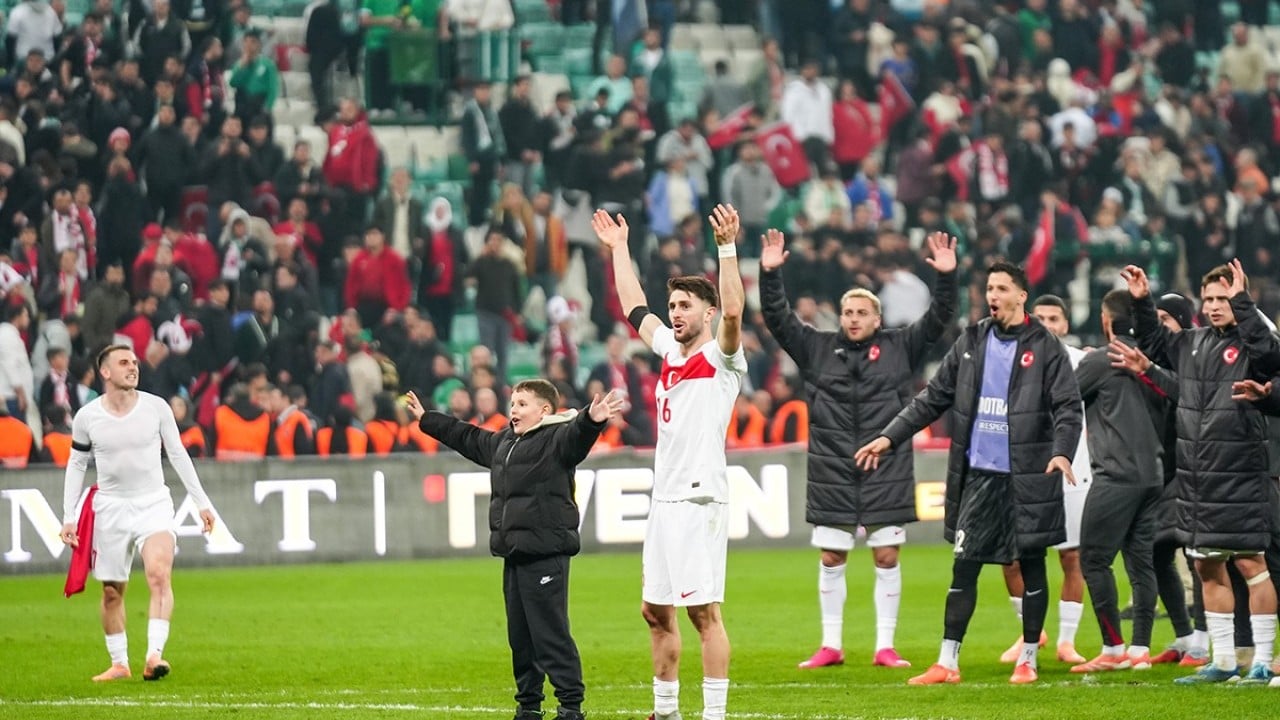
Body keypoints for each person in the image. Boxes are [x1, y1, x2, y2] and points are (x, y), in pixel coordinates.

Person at [856, 262, 1082, 686]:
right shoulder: (972, 339)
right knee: (964, 568)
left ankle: (1028, 659)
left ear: (1021, 296)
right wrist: (889, 437)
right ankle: (947, 662)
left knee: (1032, 565)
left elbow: (1068, 407)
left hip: (1028, 474)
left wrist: (1062, 452)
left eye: (1001, 288)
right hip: (978, 474)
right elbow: (933, 398)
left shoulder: (1045, 345)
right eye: (989, 288)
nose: (992, 295)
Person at [758, 227, 957, 670]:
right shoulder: (816, 348)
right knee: (832, 556)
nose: (851, 318)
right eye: (847, 311)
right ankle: (832, 645)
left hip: (886, 466)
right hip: (832, 469)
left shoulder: (900, 346)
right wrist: (770, 273)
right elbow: (778, 318)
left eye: (861, 312)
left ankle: (885, 646)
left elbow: (939, 319)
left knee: (887, 555)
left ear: (877, 318)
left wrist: (947, 277)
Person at [592, 204, 746, 720]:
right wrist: (619, 249)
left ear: (705, 312)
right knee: (655, 611)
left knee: (704, 613)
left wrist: (727, 249)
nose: (675, 313)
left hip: (699, 497)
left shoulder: (722, 358)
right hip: (665, 498)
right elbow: (635, 306)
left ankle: (715, 716)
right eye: (673, 305)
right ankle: (666, 711)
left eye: (684, 306)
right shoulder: (672, 354)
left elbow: (733, 313)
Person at [404, 381, 623, 720]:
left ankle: (569, 706)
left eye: (522, 404)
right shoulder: (505, 442)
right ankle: (529, 706)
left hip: (546, 555)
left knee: (550, 634)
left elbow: (577, 437)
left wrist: (592, 421)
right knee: (521, 638)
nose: (514, 410)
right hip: (514, 554)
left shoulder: (557, 439)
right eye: (512, 403)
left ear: (544, 410)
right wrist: (427, 419)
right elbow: (468, 437)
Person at [1125, 259, 1280, 684]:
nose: (1214, 306)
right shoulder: (1190, 343)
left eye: (1223, 298)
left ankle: (1263, 659)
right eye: (1209, 298)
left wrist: (1244, 302)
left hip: (1240, 471)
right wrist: (1142, 301)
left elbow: (1271, 357)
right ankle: (1224, 660)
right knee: (1206, 567)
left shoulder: (1252, 343)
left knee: (1252, 565)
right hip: (1197, 476)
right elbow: (1155, 343)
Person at [59, 345, 218, 682]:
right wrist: (68, 516)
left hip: (153, 504)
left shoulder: (156, 408)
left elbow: (177, 455)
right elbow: (77, 464)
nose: (133, 367)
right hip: (111, 508)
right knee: (112, 591)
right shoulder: (87, 417)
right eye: (124, 363)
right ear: (105, 372)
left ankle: (154, 655)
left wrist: (202, 502)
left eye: (134, 362)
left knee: (159, 575)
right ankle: (120, 664)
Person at [1063, 290, 1170, 672]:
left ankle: (1111, 649)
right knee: (1141, 563)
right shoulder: (1152, 360)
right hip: (1153, 475)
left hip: (1116, 476)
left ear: (1106, 321)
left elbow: (1063, 398)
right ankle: (1140, 649)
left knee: (1093, 559)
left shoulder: (1102, 359)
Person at [996, 295, 1091, 665]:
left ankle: (1067, 641)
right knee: (1011, 557)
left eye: (1056, 318)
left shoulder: (1085, 362)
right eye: (1043, 317)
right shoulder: (1011, 362)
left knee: (1072, 557)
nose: (1049, 323)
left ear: (1066, 325)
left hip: (1074, 471)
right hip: (1022, 471)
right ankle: (1029, 631)